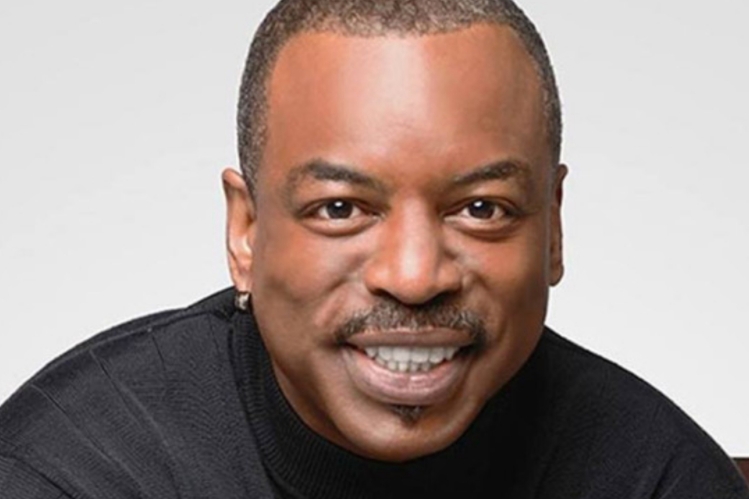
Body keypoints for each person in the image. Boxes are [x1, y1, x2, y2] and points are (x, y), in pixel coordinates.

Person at [0, 0, 746, 497]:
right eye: (341, 209)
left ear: (551, 228)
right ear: (246, 232)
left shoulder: (660, 479)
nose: (414, 277)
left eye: (481, 209)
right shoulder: (72, 470)